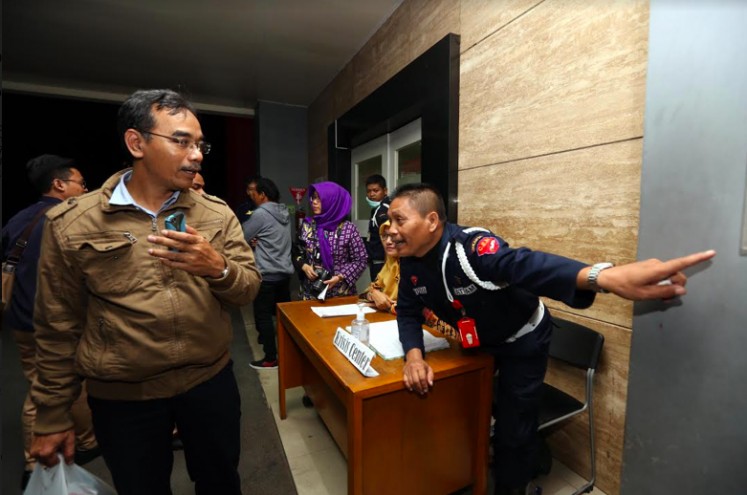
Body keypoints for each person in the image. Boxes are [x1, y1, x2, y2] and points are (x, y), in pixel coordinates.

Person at [387, 183, 716, 495]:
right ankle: (477, 468)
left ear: (431, 221)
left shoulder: (471, 249)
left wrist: (601, 276)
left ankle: (512, 485)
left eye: (399, 219)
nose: (391, 228)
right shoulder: (412, 263)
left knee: (514, 429)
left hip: (522, 341)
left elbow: (524, 264)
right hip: (480, 341)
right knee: (468, 403)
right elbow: (408, 311)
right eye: (389, 220)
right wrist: (414, 356)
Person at [29, 89, 261, 495]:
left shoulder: (215, 213)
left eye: (200, 144)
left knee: (221, 481)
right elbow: (57, 326)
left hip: (209, 383)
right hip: (124, 398)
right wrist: (52, 415)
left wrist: (217, 268)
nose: (197, 155)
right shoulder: (72, 224)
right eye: (181, 141)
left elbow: (246, 288)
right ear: (136, 143)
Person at [1, 154, 98, 490]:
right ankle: (35, 461)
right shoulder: (64, 220)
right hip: (52, 324)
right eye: (81, 184)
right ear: (59, 184)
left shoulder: (20, 220)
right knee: (46, 392)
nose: (85, 190)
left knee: (67, 384)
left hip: (21, 319)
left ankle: (86, 441)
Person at [242, 176, 295, 370]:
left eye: (253, 193)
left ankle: (270, 358)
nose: (250, 196)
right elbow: (272, 236)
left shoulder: (260, 214)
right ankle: (290, 351)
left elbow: (240, 235)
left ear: (263, 195)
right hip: (284, 273)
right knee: (282, 315)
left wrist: (253, 239)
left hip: (267, 275)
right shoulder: (283, 211)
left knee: (263, 316)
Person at [292, 181, 367, 300]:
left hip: (340, 294)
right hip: (311, 293)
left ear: (333, 201)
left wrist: (340, 276)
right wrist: (304, 266)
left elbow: (361, 260)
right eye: (314, 197)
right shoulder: (307, 226)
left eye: (320, 198)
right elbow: (296, 252)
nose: (314, 202)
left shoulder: (348, 229)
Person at [364, 174, 390, 281]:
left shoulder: (384, 211)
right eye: (369, 191)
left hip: (383, 263)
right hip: (376, 262)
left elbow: (388, 238)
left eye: (376, 190)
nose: (372, 194)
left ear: (385, 191)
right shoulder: (376, 209)